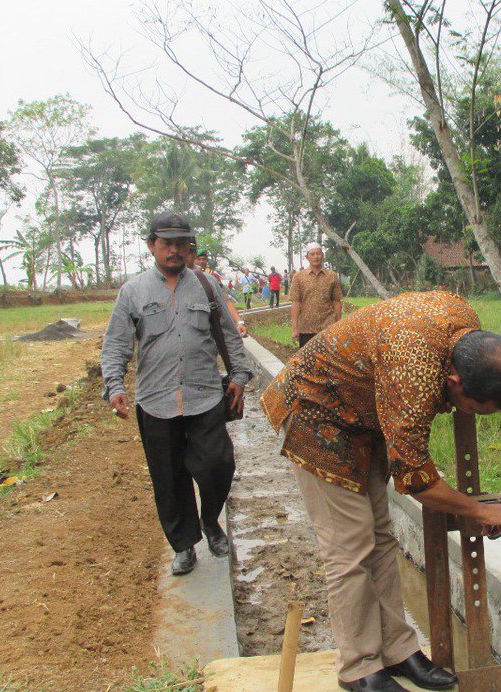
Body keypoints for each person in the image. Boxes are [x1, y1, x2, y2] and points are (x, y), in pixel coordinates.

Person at [261, 290, 501, 692]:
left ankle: (398, 649)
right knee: (349, 546)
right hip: (317, 412)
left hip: (361, 412)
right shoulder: (414, 371)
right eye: (475, 408)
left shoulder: (462, 319)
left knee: (381, 537)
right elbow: (416, 479)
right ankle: (359, 665)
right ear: (455, 382)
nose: (469, 415)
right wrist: (477, 509)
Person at [102, 212, 253, 576]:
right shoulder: (133, 291)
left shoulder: (205, 285)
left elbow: (228, 334)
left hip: (204, 394)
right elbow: (116, 344)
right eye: (166, 243)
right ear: (152, 245)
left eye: (181, 244)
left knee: (218, 464)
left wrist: (239, 375)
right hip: (156, 399)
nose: (174, 251)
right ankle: (183, 545)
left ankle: (211, 522)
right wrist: (115, 386)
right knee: (168, 478)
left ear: (190, 247)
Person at [289, 242, 342, 347]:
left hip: (328, 327)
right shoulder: (298, 277)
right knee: (308, 362)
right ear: (307, 257)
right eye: (312, 254)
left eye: (318, 254)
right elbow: (296, 303)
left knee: (328, 361)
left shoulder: (332, 276)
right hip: (306, 328)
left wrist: (339, 325)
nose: (316, 257)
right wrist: (295, 329)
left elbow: (336, 301)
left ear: (322, 255)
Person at [195, 249, 247, 337]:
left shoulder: (213, 276)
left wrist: (239, 322)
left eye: (203, 259)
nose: (201, 262)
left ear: (207, 261)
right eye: (198, 259)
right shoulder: (186, 276)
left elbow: (225, 299)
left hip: (212, 319)